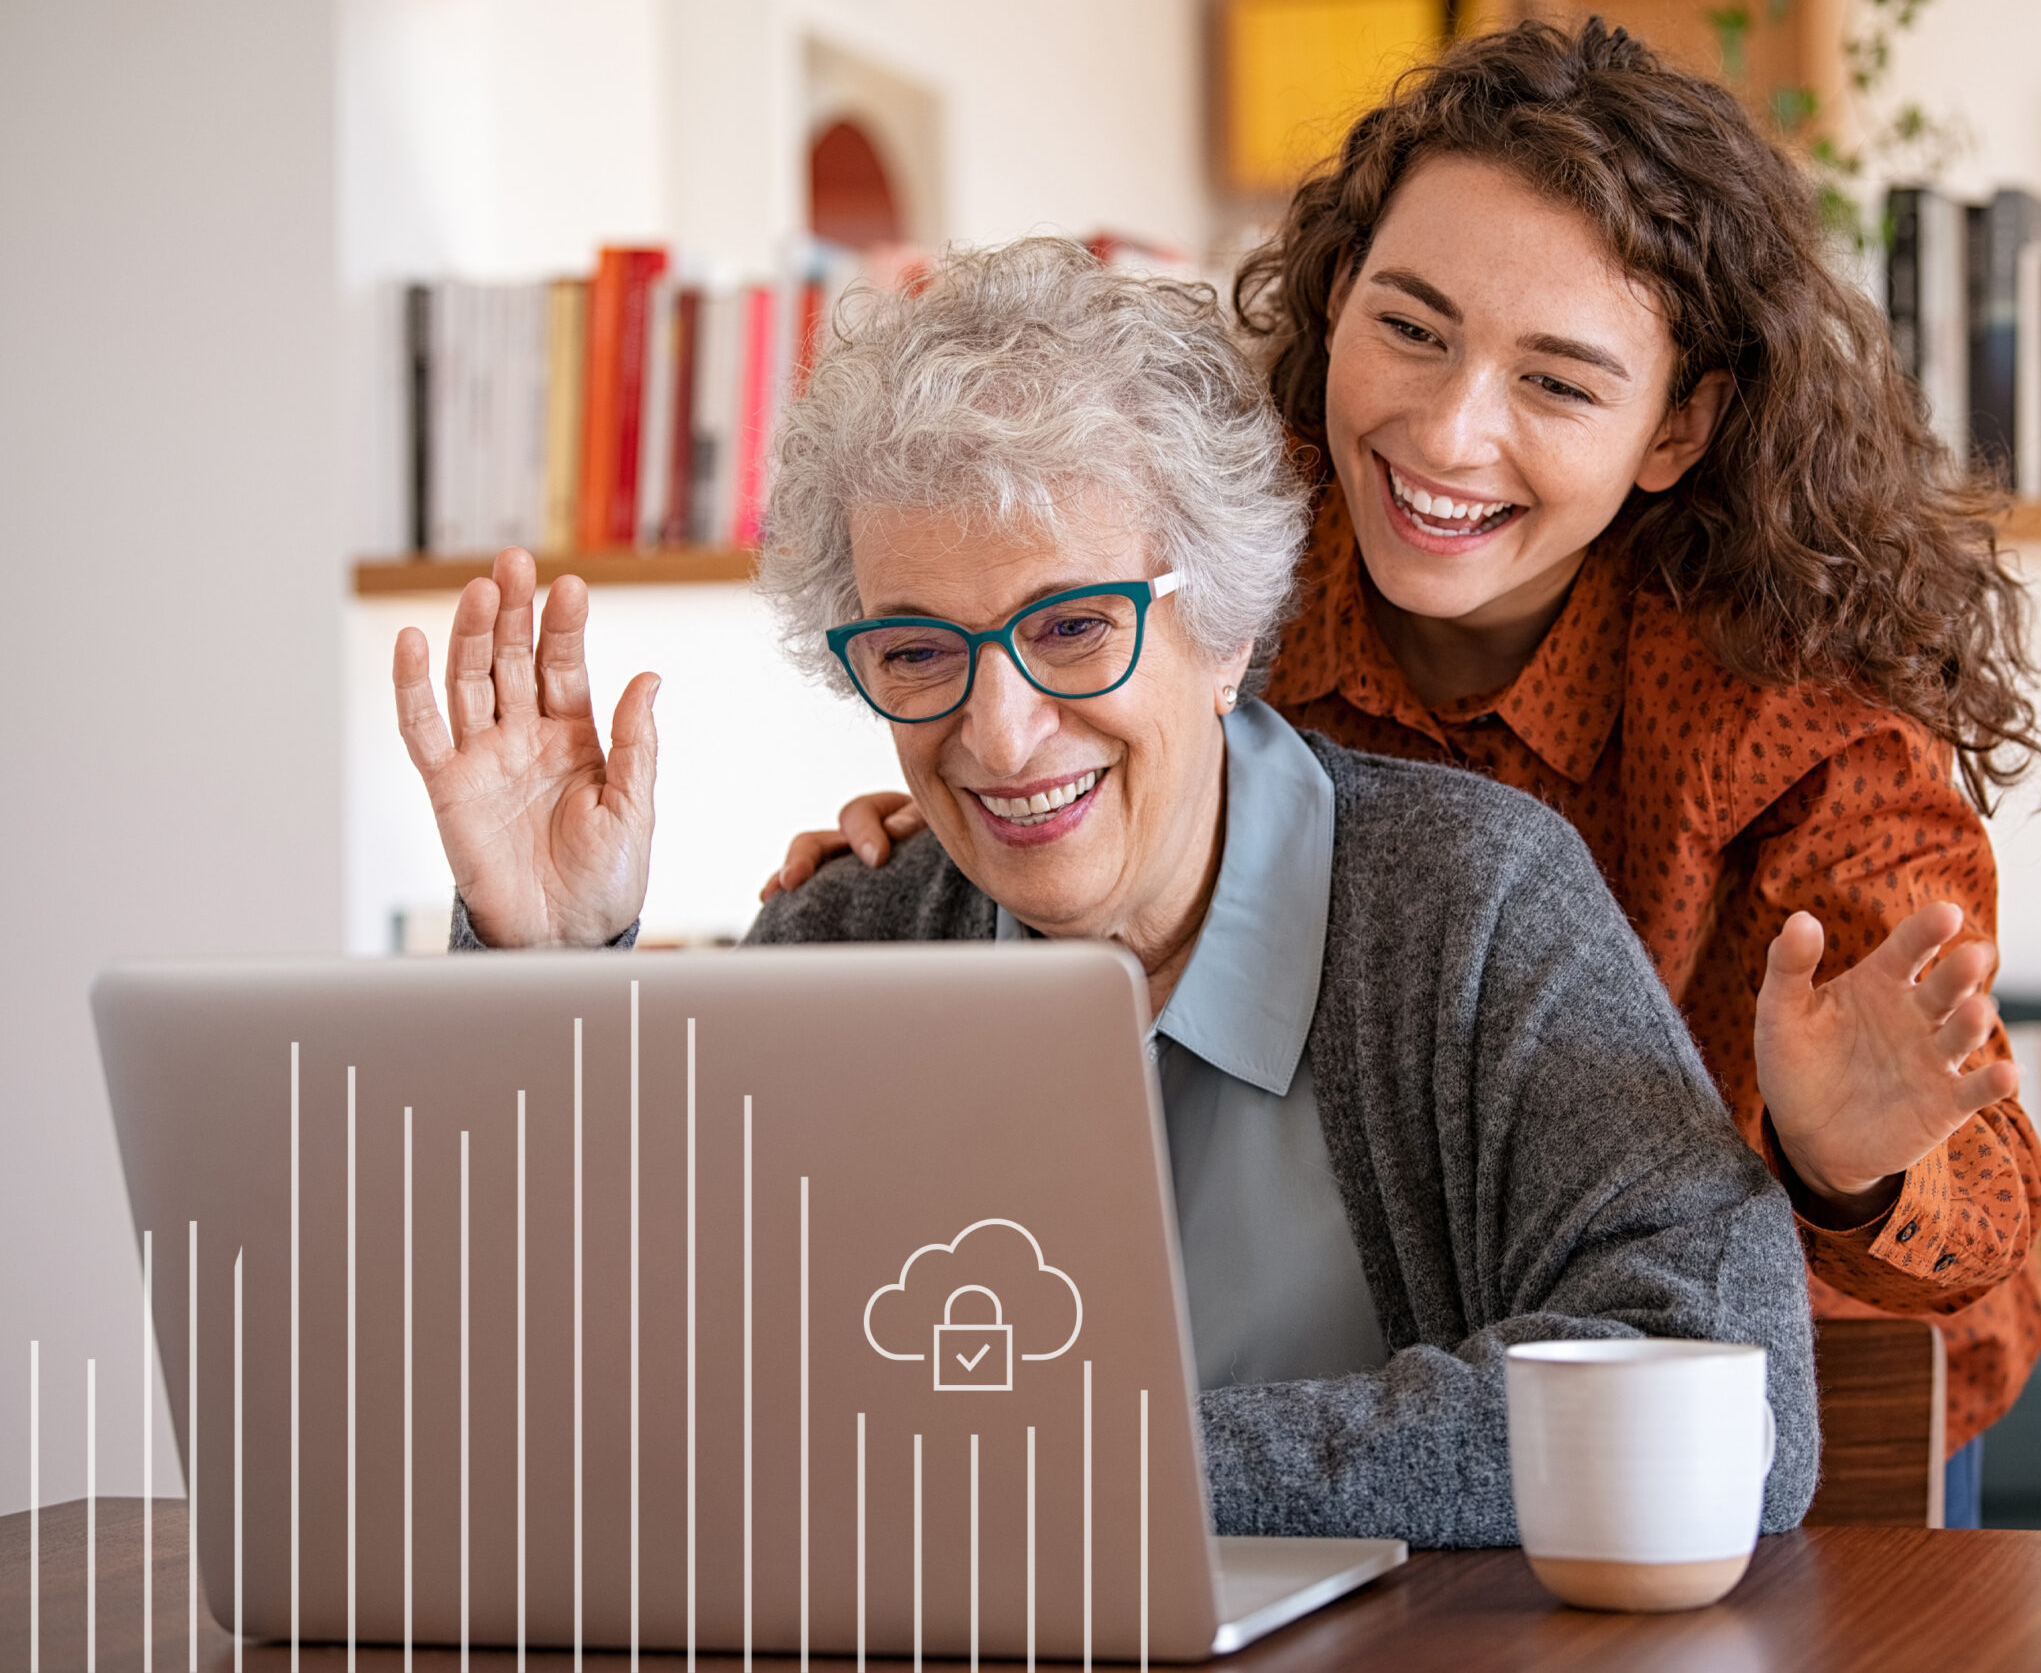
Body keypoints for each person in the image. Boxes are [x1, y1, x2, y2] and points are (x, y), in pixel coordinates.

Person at [769, 24, 2041, 1522]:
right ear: (1333, 303)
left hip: (1797, 1395)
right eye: (1413, 328)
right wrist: (983, 809)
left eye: (1560, 384)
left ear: (1675, 425)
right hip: (1386, 1425)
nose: (1448, 431)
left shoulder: (1795, 730)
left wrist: (1844, 1167)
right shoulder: (1241, 558)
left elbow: (1972, 1202)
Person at [394, 237, 1820, 1546]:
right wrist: (546, 969)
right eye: (915, 651)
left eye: (1075, 627)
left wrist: (1104, 1470)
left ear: (1225, 624)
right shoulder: (855, 934)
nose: (999, 735)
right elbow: (594, 1420)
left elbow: (1723, 1397)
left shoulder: (1471, 902)